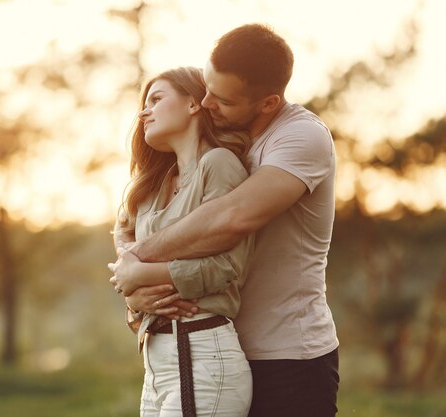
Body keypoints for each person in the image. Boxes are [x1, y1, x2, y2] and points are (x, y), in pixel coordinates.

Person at [110, 24, 340, 417]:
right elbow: (132, 223)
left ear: (267, 103)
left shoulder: (300, 138)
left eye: (223, 100)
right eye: (206, 89)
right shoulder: (216, 144)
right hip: (210, 342)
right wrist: (133, 292)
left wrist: (138, 266)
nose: (207, 103)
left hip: (286, 355)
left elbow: (233, 218)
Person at [109, 66, 254, 417]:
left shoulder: (218, 164)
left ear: (194, 104)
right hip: (157, 365)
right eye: (145, 102)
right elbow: (125, 257)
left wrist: (142, 277)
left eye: (156, 99)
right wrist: (134, 298)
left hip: (202, 356)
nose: (144, 111)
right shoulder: (151, 189)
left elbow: (227, 268)